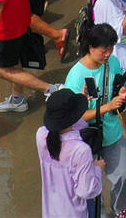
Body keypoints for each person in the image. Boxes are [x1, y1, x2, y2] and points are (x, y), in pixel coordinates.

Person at [34, 88, 102, 218]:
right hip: (75, 212)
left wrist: (77, 108)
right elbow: (87, 191)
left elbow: (74, 126)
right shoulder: (80, 150)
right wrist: (98, 168)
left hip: (51, 211)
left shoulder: (41, 135)